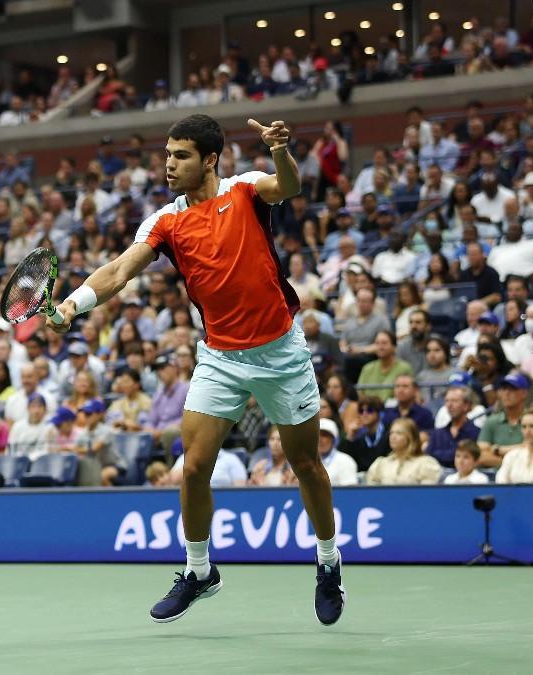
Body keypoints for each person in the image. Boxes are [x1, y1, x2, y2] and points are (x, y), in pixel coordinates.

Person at [49, 113, 345, 625]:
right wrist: (74, 304)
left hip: (281, 352)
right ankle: (199, 570)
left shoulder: (247, 190)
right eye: (166, 154)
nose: (168, 164)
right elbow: (120, 270)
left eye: (180, 155)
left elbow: (289, 185)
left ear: (210, 160)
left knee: (305, 464)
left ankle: (327, 562)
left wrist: (279, 150)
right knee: (193, 467)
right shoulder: (164, 221)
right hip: (221, 357)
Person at [365, 418, 442, 485]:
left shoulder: (426, 464)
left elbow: (429, 495)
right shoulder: (380, 464)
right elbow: (371, 495)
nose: (393, 436)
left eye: (399, 433)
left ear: (411, 437)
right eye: (391, 433)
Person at [425, 387, 481, 468]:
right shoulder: (437, 433)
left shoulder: (476, 433)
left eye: (454, 401)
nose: (449, 405)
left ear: (466, 405)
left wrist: (439, 454)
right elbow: (428, 458)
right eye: (447, 401)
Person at [317, 419, 358, 486]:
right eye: (316, 435)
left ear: (334, 440)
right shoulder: (303, 461)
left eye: (324, 435)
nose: (320, 439)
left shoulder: (345, 461)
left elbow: (349, 493)